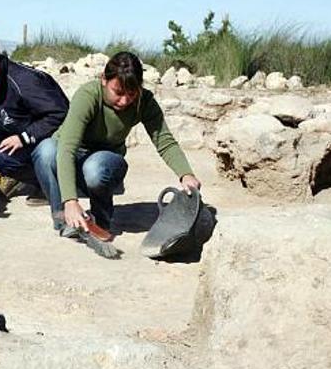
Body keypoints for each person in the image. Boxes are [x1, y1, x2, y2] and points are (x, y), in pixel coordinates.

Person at [31, 51, 202, 235]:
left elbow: (165, 141)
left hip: (104, 163)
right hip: (71, 156)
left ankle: (101, 220)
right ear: (104, 79)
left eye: (132, 94)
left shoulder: (144, 102)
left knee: (94, 168)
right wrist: (70, 201)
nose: (124, 100)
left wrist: (186, 174)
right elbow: (67, 148)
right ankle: (66, 219)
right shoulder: (88, 96)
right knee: (46, 151)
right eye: (118, 92)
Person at [0, 32, 69, 198]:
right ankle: (8, 176)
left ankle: (46, 181)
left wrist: (24, 138)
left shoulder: (24, 81)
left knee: (2, 159)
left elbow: (60, 113)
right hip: (18, 127)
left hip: (44, 140)